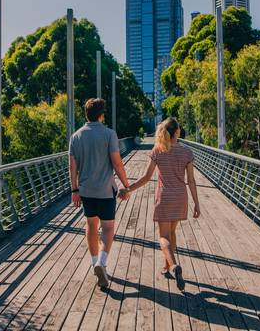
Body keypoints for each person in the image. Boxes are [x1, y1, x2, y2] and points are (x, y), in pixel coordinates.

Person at [123, 117, 200, 291]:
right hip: (180, 197)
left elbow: (146, 177)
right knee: (172, 232)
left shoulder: (158, 150)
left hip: (164, 197)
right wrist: (196, 203)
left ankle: (173, 266)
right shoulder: (187, 152)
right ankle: (167, 267)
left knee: (163, 236)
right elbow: (192, 181)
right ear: (177, 132)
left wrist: (129, 188)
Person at [69, 98, 131, 289]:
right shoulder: (109, 134)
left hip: (86, 190)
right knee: (108, 227)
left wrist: (74, 189)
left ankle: (93, 260)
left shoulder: (76, 136)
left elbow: (72, 166)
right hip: (105, 190)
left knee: (91, 224)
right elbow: (117, 163)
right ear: (101, 115)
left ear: (86, 114)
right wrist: (126, 184)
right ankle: (101, 263)